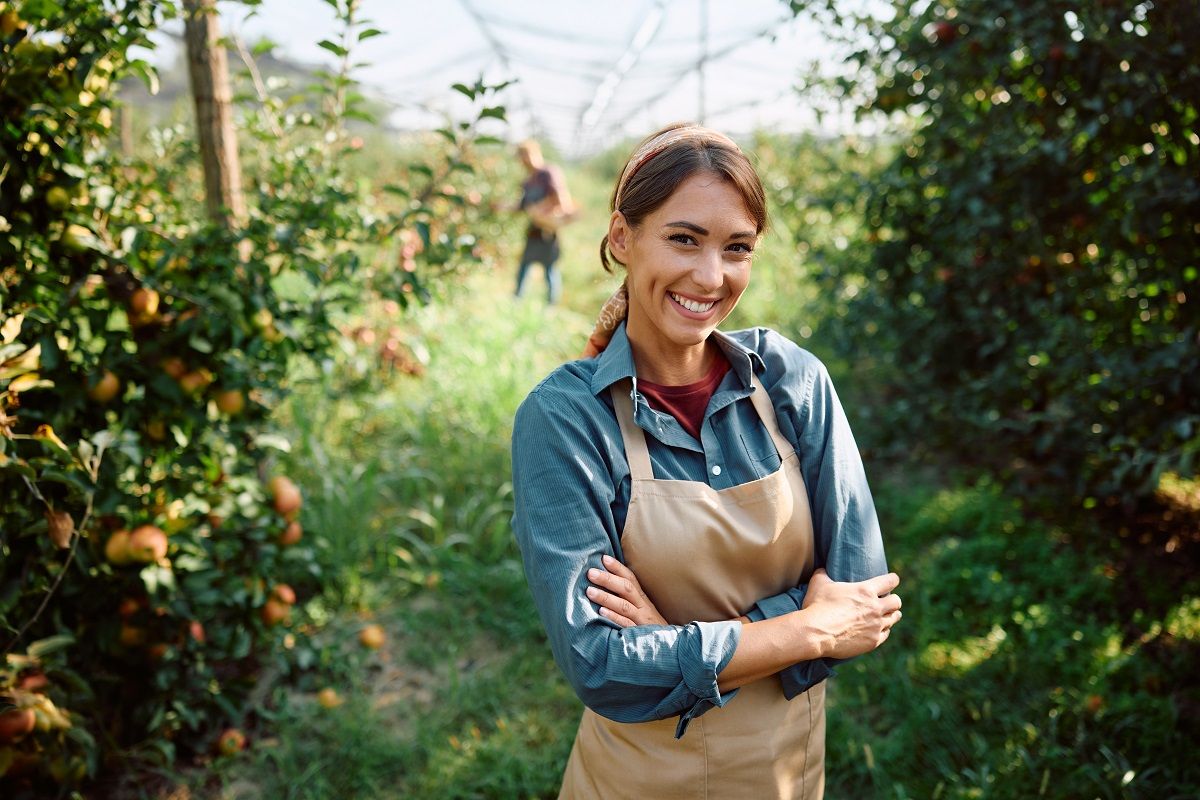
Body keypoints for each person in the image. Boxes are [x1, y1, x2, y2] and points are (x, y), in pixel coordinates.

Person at [510, 123, 901, 799]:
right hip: (636, 780)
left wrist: (678, 641)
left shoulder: (790, 380)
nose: (711, 276)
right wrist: (807, 626)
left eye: (737, 248)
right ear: (622, 238)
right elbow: (601, 665)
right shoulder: (568, 418)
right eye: (683, 239)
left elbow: (861, 600)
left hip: (786, 775)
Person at [514, 139, 576, 304]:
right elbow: (521, 206)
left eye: (525, 156)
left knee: (549, 269)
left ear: (534, 153)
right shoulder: (527, 182)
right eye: (521, 158)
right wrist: (498, 206)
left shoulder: (548, 173)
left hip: (548, 230)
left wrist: (539, 210)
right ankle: (516, 301)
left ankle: (550, 306)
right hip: (534, 230)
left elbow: (559, 200)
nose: (524, 162)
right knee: (524, 266)